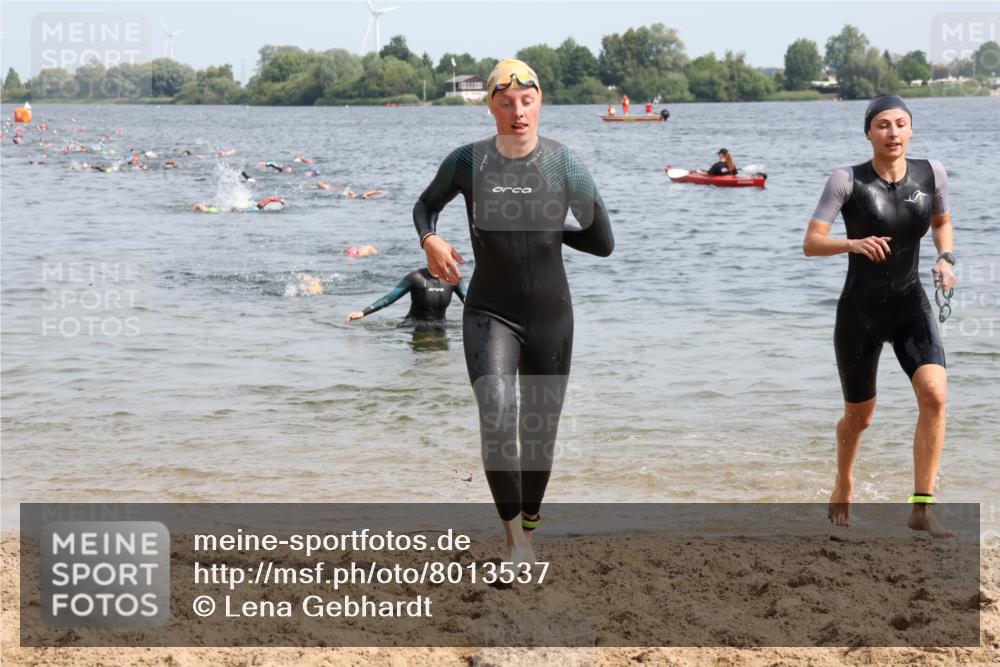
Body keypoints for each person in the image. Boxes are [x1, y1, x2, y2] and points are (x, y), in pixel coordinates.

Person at [414, 59, 614, 563]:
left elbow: (602, 241)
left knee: (538, 433)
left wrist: (546, 229)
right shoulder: (467, 162)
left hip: (551, 317)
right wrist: (430, 239)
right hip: (489, 310)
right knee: (498, 415)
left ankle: (529, 524)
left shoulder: (564, 164)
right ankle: (515, 543)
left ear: (539, 102)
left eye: (527, 101)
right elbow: (425, 205)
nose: (518, 111)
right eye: (506, 102)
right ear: (492, 108)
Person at [802, 94, 956, 538]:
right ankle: (844, 480)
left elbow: (943, 220)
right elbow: (811, 243)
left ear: (911, 130)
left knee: (935, 396)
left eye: (901, 124)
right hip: (860, 315)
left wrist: (946, 258)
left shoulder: (932, 174)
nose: (893, 132)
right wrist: (851, 244)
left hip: (911, 307)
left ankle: (921, 507)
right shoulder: (846, 180)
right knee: (859, 418)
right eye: (883, 125)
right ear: (868, 132)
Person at [346, 268, 467, 331]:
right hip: (413, 325)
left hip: (441, 325)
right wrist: (363, 312)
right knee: (427, 330)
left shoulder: (453, 279)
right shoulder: (416, 277)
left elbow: (470, 302)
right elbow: (389, 298)